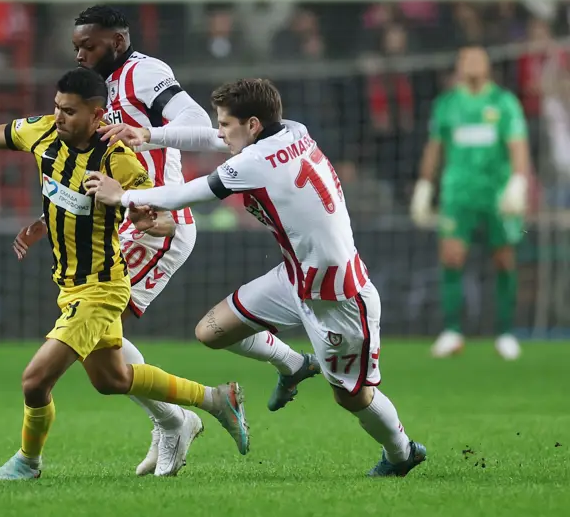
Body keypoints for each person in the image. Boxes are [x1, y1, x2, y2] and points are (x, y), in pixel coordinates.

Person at [0, 68, 250, 481]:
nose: (59, 117)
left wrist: (142, 215)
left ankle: (27, 463)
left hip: (101, 288)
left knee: (34, 381)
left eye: (69, 111)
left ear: (97, 115)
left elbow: (165, 220)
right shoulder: (42, 132)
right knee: (112, 378)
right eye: (57, 107)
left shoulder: (117, 158)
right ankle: (215, 400)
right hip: (68, 286)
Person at [87, 78, 427, 477]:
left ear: (252, 125)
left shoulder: (253, 162)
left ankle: (402, 453)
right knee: (211, 331)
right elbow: (213, 139)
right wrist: (149, 135)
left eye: (225, 124)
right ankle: (293, 364)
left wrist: (124, 196)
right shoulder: (292, 130)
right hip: (294, 276)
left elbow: (191, 192)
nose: (219, 132)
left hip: (337, 295)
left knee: (352, 397)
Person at [11, 6, 293, 477]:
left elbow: (203, 126)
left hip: (157, 222)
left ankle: (177, 419)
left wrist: (148, 134)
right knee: (100, 344)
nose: (80, 55)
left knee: (95, 333)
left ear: (118, 41)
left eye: (89, 46)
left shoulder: (144, 73)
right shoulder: (98, 90)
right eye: (76, 47)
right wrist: (52, 213)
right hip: (124, 219)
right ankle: (181, 416)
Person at [411, 46, 530, 360]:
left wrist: (518, 182)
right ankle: (452, 331)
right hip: (458, 193)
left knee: (504, 259)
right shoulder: (447, 104)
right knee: (451, 257)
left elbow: (518, 145)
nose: (473, 64)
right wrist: (424, 185)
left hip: (496, 194)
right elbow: (434, 147)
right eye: (467, 59)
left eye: (478, 59)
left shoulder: (503, 102)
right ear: (459, 66)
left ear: (488, 66)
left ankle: (505, 333)